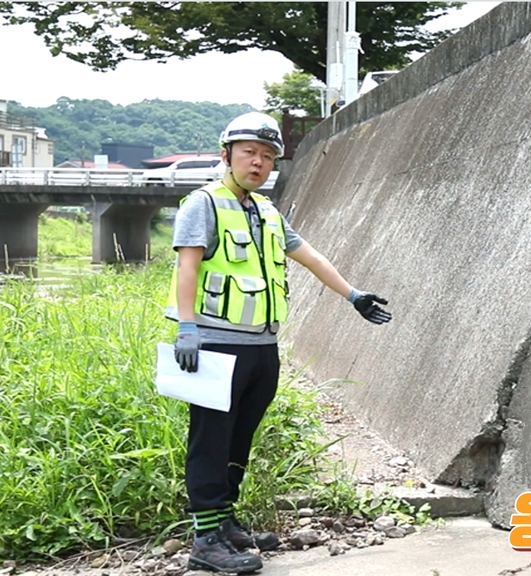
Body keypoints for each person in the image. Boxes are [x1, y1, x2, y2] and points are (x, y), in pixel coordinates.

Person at [165, 111, 392, 573]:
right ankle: (204, 540)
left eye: (268, 156)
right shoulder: (203, 204)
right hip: (213, 344)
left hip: (261, 346)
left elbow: (311, 256)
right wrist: (186, 328)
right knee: (210, 440)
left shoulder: (267, 212)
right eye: (249, 152)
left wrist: (353, 295)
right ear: (226, 154)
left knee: (239, 437)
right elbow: (187, 267)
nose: (258, 163)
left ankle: (225, 522)